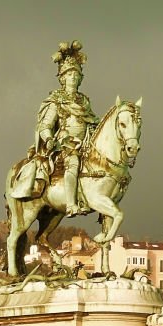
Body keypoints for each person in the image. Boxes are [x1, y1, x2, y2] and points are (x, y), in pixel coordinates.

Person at [11, 40, 99, 216]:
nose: (73, 78)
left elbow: (91, 121)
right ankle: (71, 205)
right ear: (62, 78)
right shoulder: (56, 100)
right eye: (69, 75)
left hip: (86, 143)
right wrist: (50, 139)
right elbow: (45, 125)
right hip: (65, 144)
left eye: (76, 75)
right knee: (73, 163)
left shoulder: (84, 101)